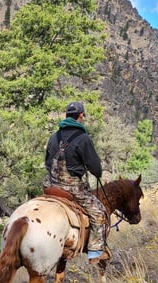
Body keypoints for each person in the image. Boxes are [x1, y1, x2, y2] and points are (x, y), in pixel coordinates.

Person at [42, 101, 110, 263]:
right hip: (72, 188)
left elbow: (47, 162)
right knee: (99, 214)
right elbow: (94, 166)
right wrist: (97, 173)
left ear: (66, 116)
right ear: (81, 116)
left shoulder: (54, 136)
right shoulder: (83, 138)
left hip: (49, 185)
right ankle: (94, 251)